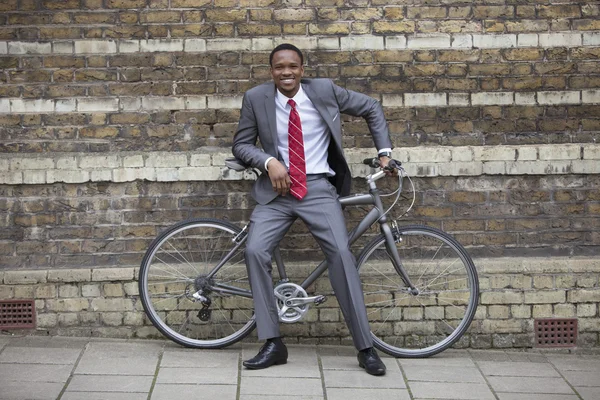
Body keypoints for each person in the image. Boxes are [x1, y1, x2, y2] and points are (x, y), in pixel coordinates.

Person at [232, 43, 394, 376]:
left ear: (302, 69)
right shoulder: (256, 98)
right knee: (254, 251)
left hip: (318, 188)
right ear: (271, 71)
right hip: (276, 191)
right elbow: (241, 144)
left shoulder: (324, 90)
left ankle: (365, 348)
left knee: (340, 253)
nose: (286, 72)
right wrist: (268, 161)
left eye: (292, 66)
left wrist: (385, 152)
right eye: (279, 67)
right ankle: (273, 343)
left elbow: (372, 107)